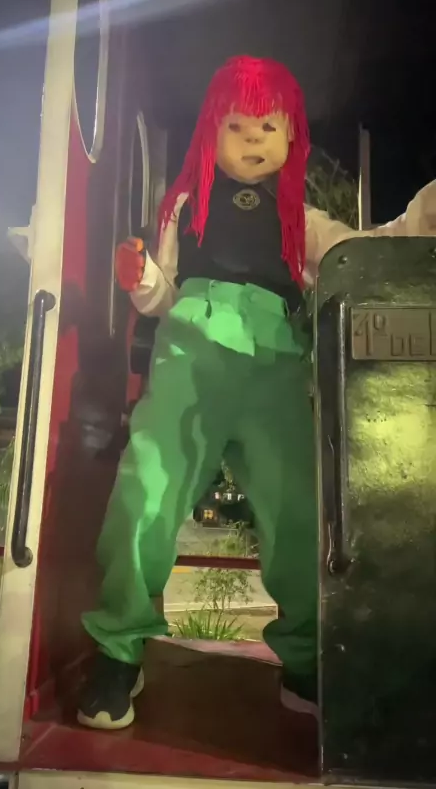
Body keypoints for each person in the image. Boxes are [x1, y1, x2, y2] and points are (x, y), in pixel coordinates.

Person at [78, 55, 436, 730]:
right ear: (210, 131)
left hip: (276, 372)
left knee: (301, 515)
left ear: (291, 135)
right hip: (189, 362)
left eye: (267, 127)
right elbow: (161, 295)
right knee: (146, 493)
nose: (251, 140)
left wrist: (425, 213)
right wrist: (140, 276)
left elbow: (365, 254)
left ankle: (305, 659)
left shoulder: (302, 219)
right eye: (236, 125)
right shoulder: (183, 207)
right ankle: (118, 651)